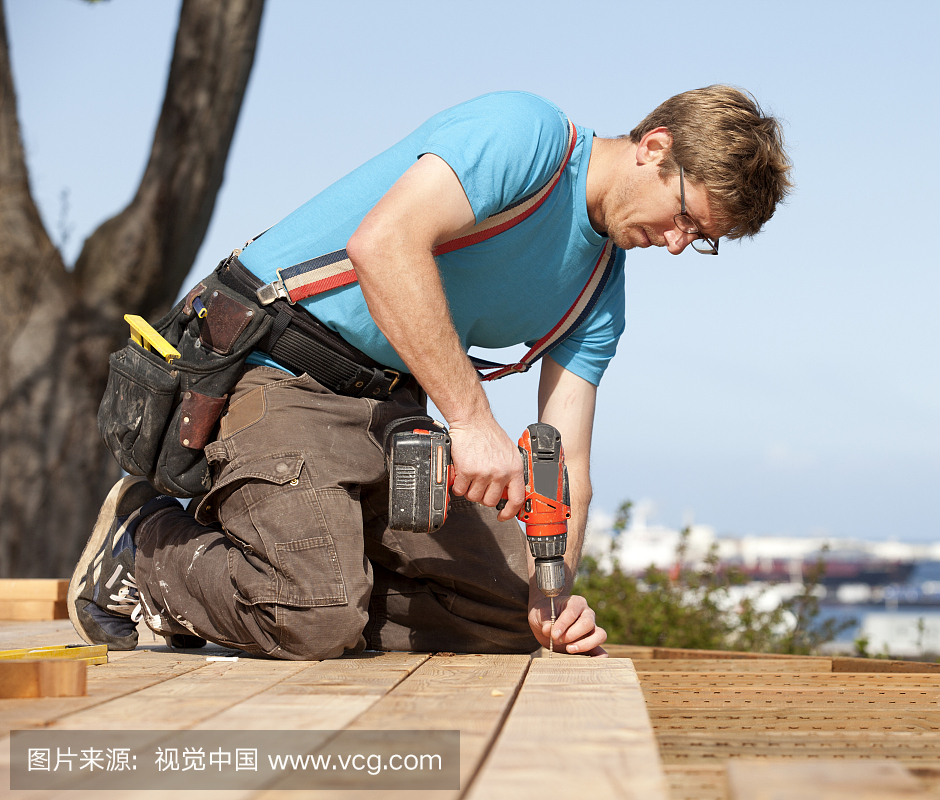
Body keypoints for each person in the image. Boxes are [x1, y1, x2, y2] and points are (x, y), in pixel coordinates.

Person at [69, 86, 791, 660]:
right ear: (654, 149)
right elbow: (383, 245)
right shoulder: (528, 134)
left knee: (507, 621)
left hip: (389, 411)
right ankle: (146, 544)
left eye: (700, 242)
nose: (675, 245)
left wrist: (550, 593)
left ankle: (316, 577)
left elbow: (563, 461)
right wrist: (473, 425)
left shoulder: (599, 289)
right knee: (315, 616)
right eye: (685, 219)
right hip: (278, 370)